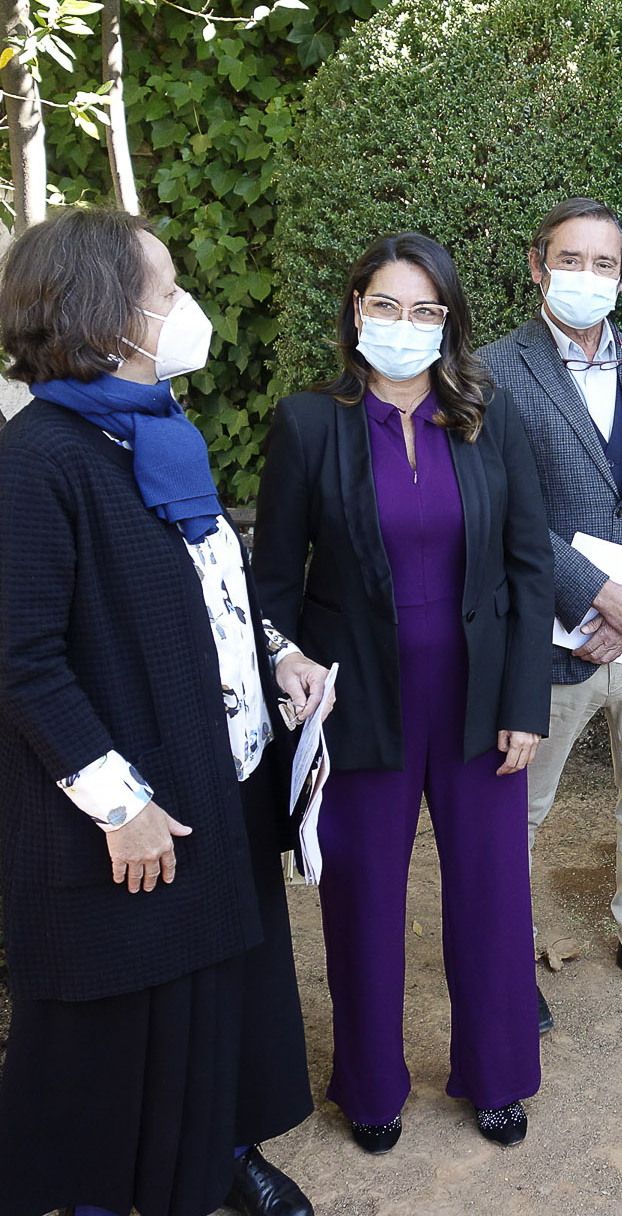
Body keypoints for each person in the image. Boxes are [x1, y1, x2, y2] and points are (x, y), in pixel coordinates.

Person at [0, 208, 327, 1216]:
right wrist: (119, 804)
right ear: (108, 311)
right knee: (119, 1016)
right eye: (167, 288)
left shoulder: (156, 430)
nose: (187, 308)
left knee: (220, 982)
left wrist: (278, 655)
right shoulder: (40, 459)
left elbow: (207, 578)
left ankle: (216, 1154)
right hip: (129, 798)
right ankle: (105, 1193)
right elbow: (22, 657)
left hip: (212, 769)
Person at [252, 233, 554, 1152]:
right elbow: (271, 584)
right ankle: (371, 1084)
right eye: (387, 306)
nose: (405, 326)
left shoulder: (488, 416)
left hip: (478, 698)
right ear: (355, 310)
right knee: (364, 900)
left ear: (450, 323)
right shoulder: (309, 424)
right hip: (357, 704)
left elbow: (530, 567)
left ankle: (498, 1074)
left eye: (427, 311)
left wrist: (526, 704)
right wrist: (286, 663)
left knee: (493, 895)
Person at [479, 197, 622, 1019]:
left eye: (604, 263)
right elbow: (500, 508)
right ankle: (506, 955)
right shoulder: (493, 372)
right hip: (548, 635)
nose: (588, 275)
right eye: (570, 260)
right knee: (522, 806)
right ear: (538, 266)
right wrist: (593, 595)